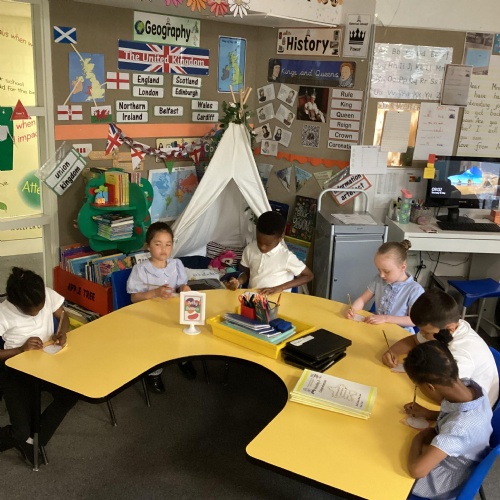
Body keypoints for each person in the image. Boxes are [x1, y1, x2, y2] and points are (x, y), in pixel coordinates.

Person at [0, 267, 78, 465]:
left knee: (71, 394)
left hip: (47, 364)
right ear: (17, 305)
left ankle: (34, 440)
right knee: (19, 432)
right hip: (16, 371)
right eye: (32, 312)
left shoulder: (46, 293)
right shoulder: (4, 312)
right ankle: (25, 438)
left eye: (41, 308)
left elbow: (63, 316)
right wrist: (20, 349)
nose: (39, 313)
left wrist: (62, 331)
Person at [403, 340, 492, 499]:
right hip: (463, 453)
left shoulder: (458, 428)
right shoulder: (473, 387)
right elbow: (457, 414)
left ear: (430, 387)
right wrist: (429, 414)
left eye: (418, 387)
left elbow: (417, 470)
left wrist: (419, 437)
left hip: (442, 483)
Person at [382, 289, 499, 408]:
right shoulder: (446, 327)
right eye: (420, 330)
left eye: (426, 332)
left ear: (450, 329)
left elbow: (448, 397)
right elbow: (413, 340)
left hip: (474, 409)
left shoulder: (460, 355)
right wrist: (393, 351)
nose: (422, 335)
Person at [127, 221, 195, 392]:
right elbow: (134, 297)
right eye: (158, 244)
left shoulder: (176, 264)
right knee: (155, 340)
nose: (163, 249)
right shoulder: (140, 269)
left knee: (185, 329)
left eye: (168, 244)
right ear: (148, 246)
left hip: (173, 311)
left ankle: (183, 359)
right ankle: (154, 372)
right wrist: (155, 292)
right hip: (150, 315)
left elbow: (181, 286)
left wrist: (184, 288)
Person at [225, 211, 313, 294]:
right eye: (259, 242)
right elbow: (247, 273)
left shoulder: (286, 257)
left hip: (277, 300)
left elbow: (309, 276)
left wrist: (280, 287)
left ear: (280, 238)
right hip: (253, 298)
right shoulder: (249, 249)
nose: (262, 247)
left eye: (268, 244)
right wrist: (238, 281)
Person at [346, 240, 424, 333]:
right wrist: (353, 310)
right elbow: (362, 299)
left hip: (399, 334)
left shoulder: (415, 290)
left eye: (386, 271)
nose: (382, 275)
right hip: (377, 329)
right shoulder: (378, 279)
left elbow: (413, 320)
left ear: (403, 267)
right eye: (379, 270)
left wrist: (385, 318)